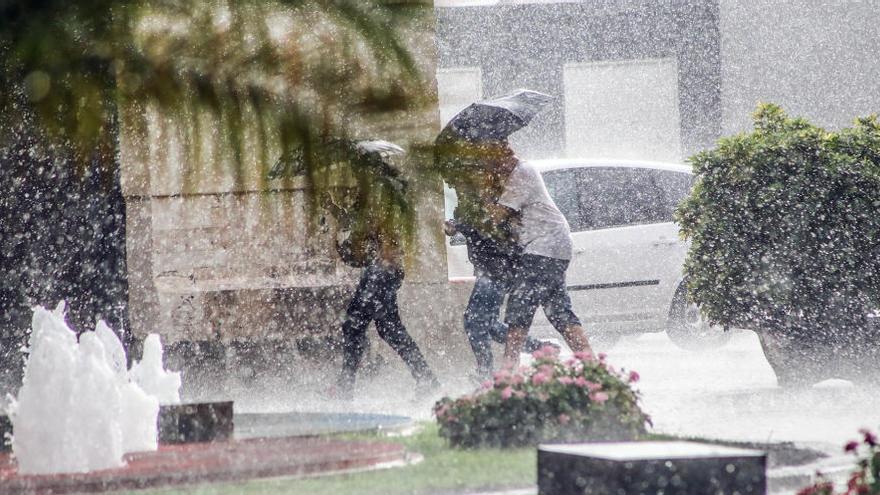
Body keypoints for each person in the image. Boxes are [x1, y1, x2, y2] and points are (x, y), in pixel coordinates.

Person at [328, 145, 438, 400]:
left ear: (368, 168)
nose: (354, 175)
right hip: (382, 270)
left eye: (357, 169)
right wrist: (337, 211)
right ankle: (426, 378)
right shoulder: (380, 190)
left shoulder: (378, 191)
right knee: (387, 328)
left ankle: (346, 388)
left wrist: (347, 233)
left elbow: (367, 231)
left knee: (355, 324)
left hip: (381, 271)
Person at [440, 141, 550, 379]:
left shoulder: (491, 189)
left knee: (473, 322)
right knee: (489, 324)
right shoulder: (472, 194)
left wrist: (460, 226)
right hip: (488, 266)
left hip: (499, 267)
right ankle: (540, 348)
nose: (450, 181)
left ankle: (486, 374)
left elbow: (492, 225)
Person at [479, 142, 593, 366]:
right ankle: (593, 367)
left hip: (544, 246)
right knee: (559, 311)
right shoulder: (517, 173)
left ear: (503, 154)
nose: (490, 166)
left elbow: (496, 217)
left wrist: (483, 193)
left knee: (520, 309)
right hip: (552, 245)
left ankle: (508, 373)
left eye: (490, 160)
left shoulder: (521, 173)